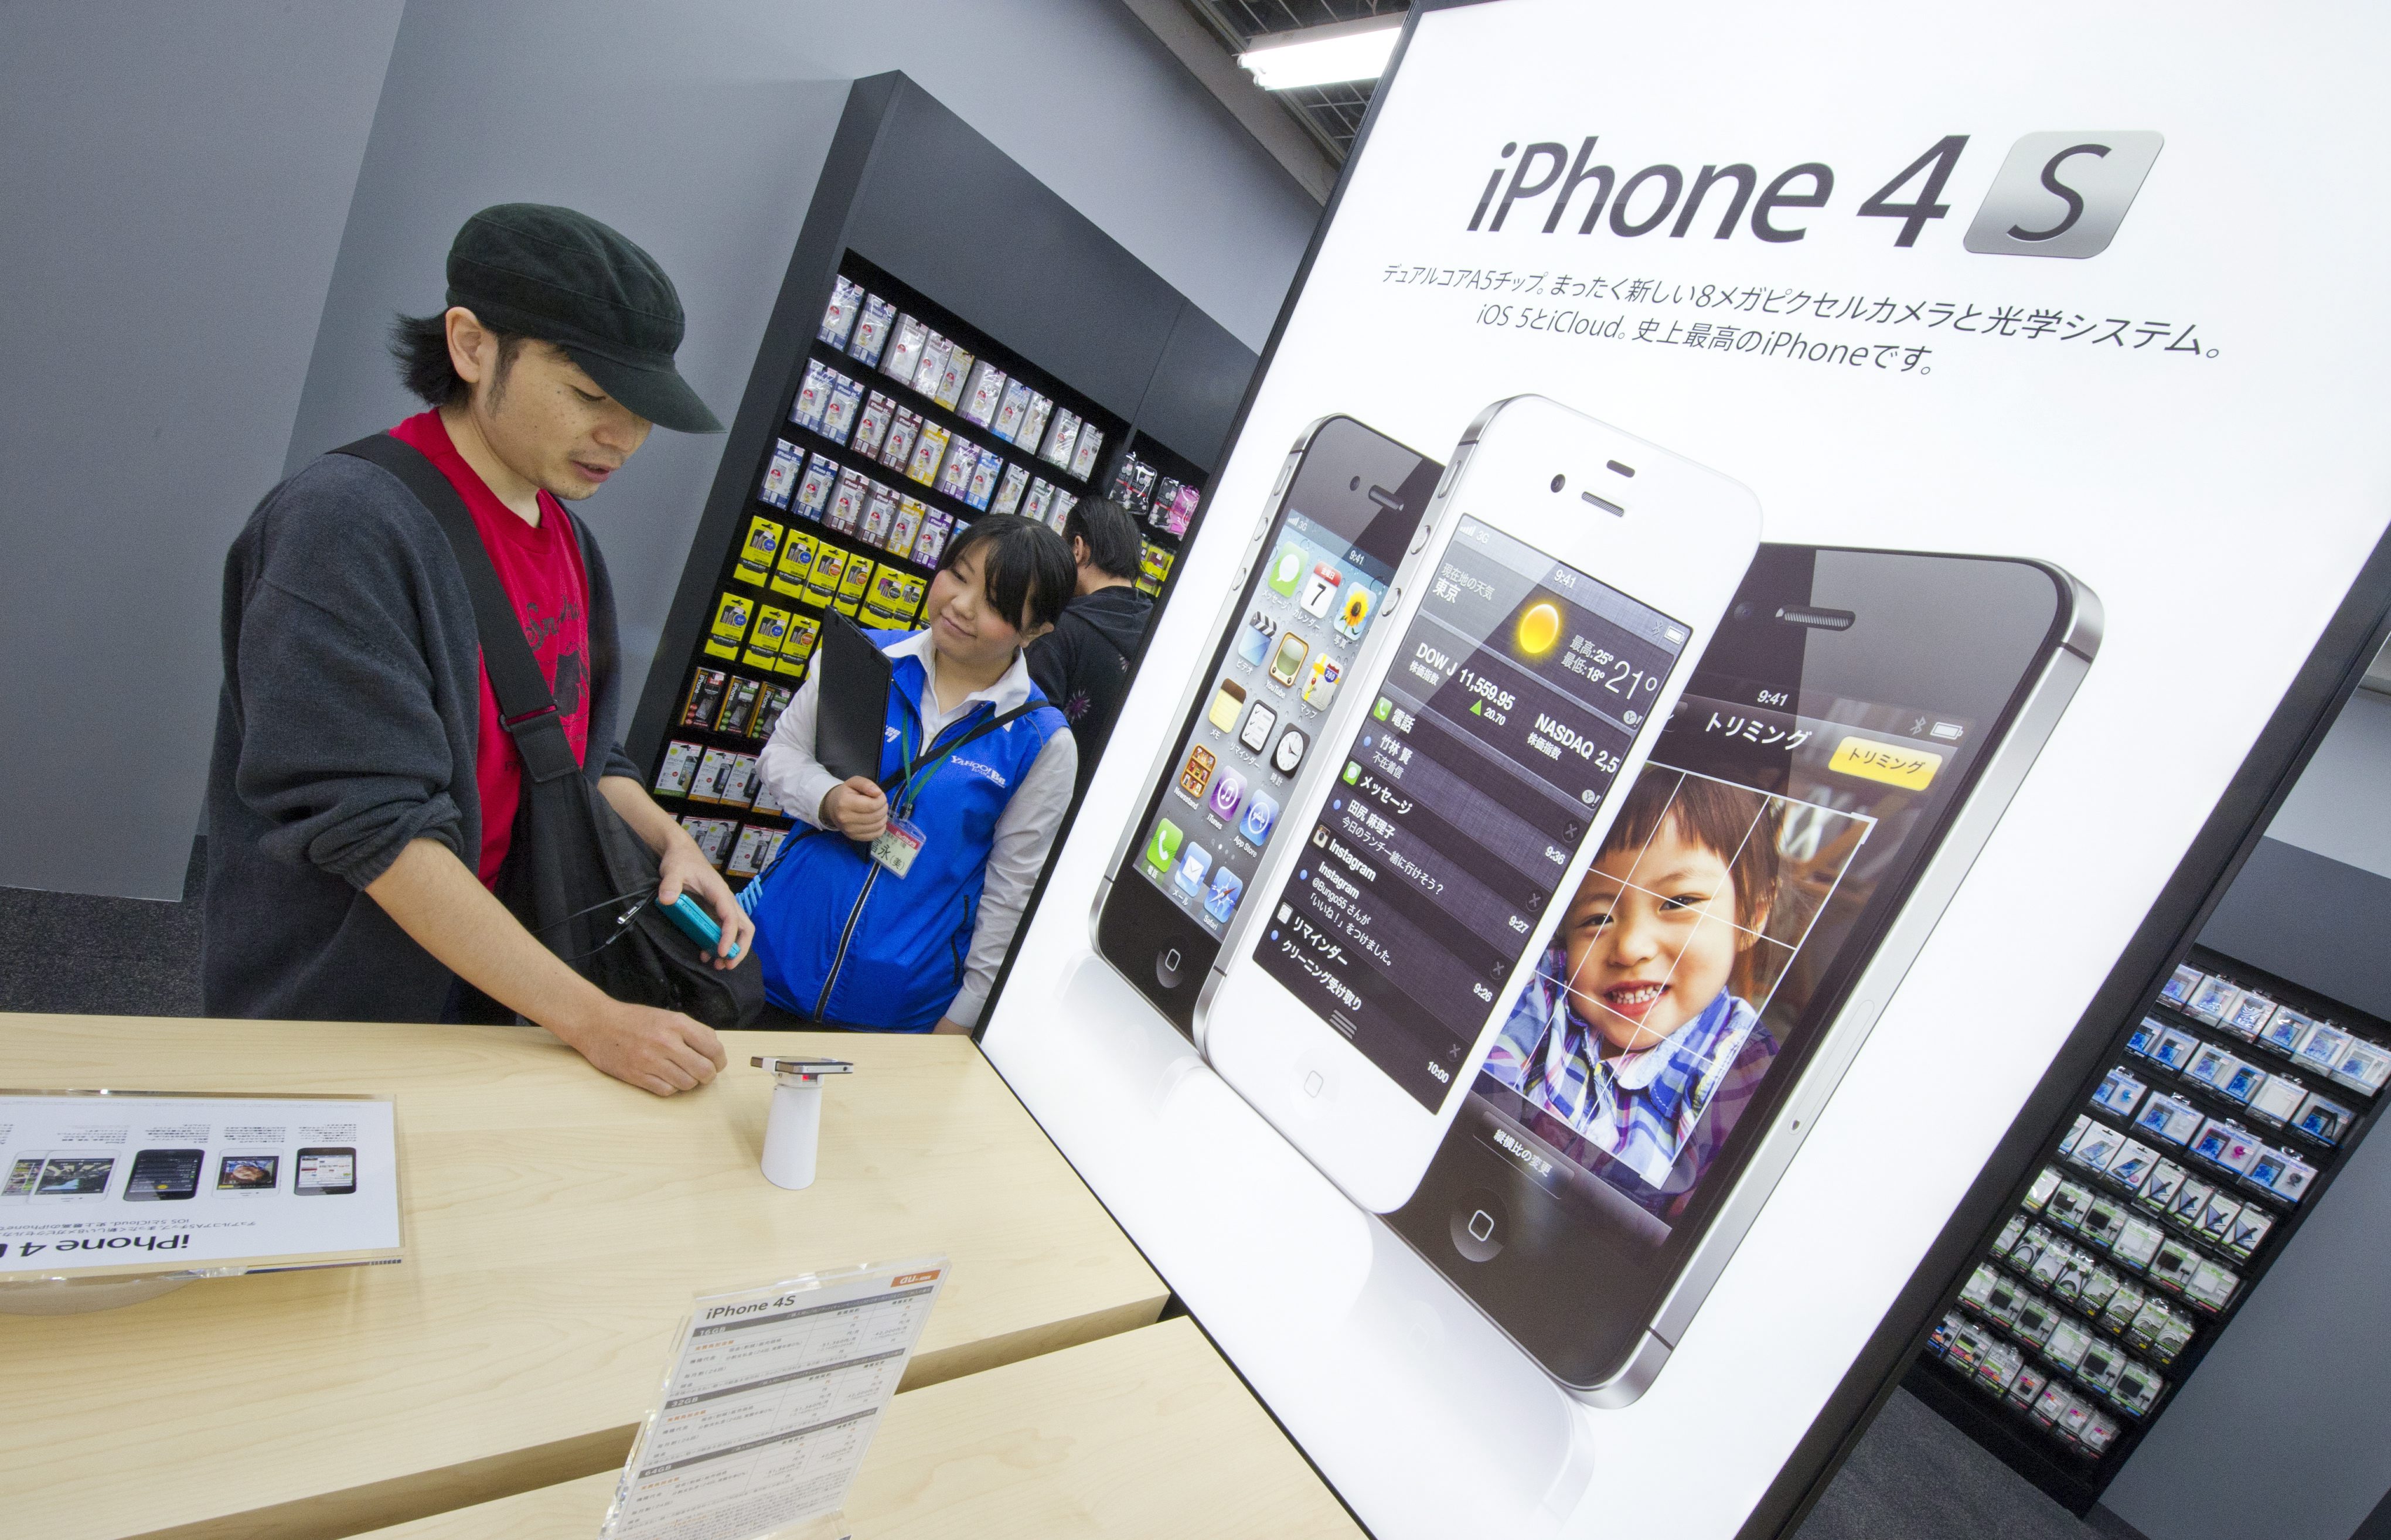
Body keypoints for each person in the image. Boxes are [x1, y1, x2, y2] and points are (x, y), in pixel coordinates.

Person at [205, 203, 753, 1097]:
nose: (622, 439)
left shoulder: (569, 540)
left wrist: (671, 844)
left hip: (501, 989)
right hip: (345, 1006)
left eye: (643, 411)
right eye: (590, 396)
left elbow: (582, 754)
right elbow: (376, 830)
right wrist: (592, 1019)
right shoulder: (344, 525)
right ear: (471, 345)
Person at [746, 515, 1077, 1033]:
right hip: (767, 960)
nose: (960, 605)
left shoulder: (1040, 742)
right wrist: (829, 800)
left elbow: (1011, 894)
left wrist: (963, 1019)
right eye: (958, 575)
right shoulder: (864, 657)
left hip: (900, 1012)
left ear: (1035, 630)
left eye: (995, 603)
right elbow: (781, 755)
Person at [1481, 769, 1784, 1211]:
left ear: (1751, 916)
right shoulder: (1545, 989)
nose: (1630, 947)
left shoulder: (1743, 1069)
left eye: (1679, 903)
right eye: (1597, 919)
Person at [1026, 496, 1153, 802]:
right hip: (1113, 804)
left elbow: (1028, 736)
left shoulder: (1059, 630)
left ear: (1077, 549)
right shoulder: (1158, 632)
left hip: (1047, 805)